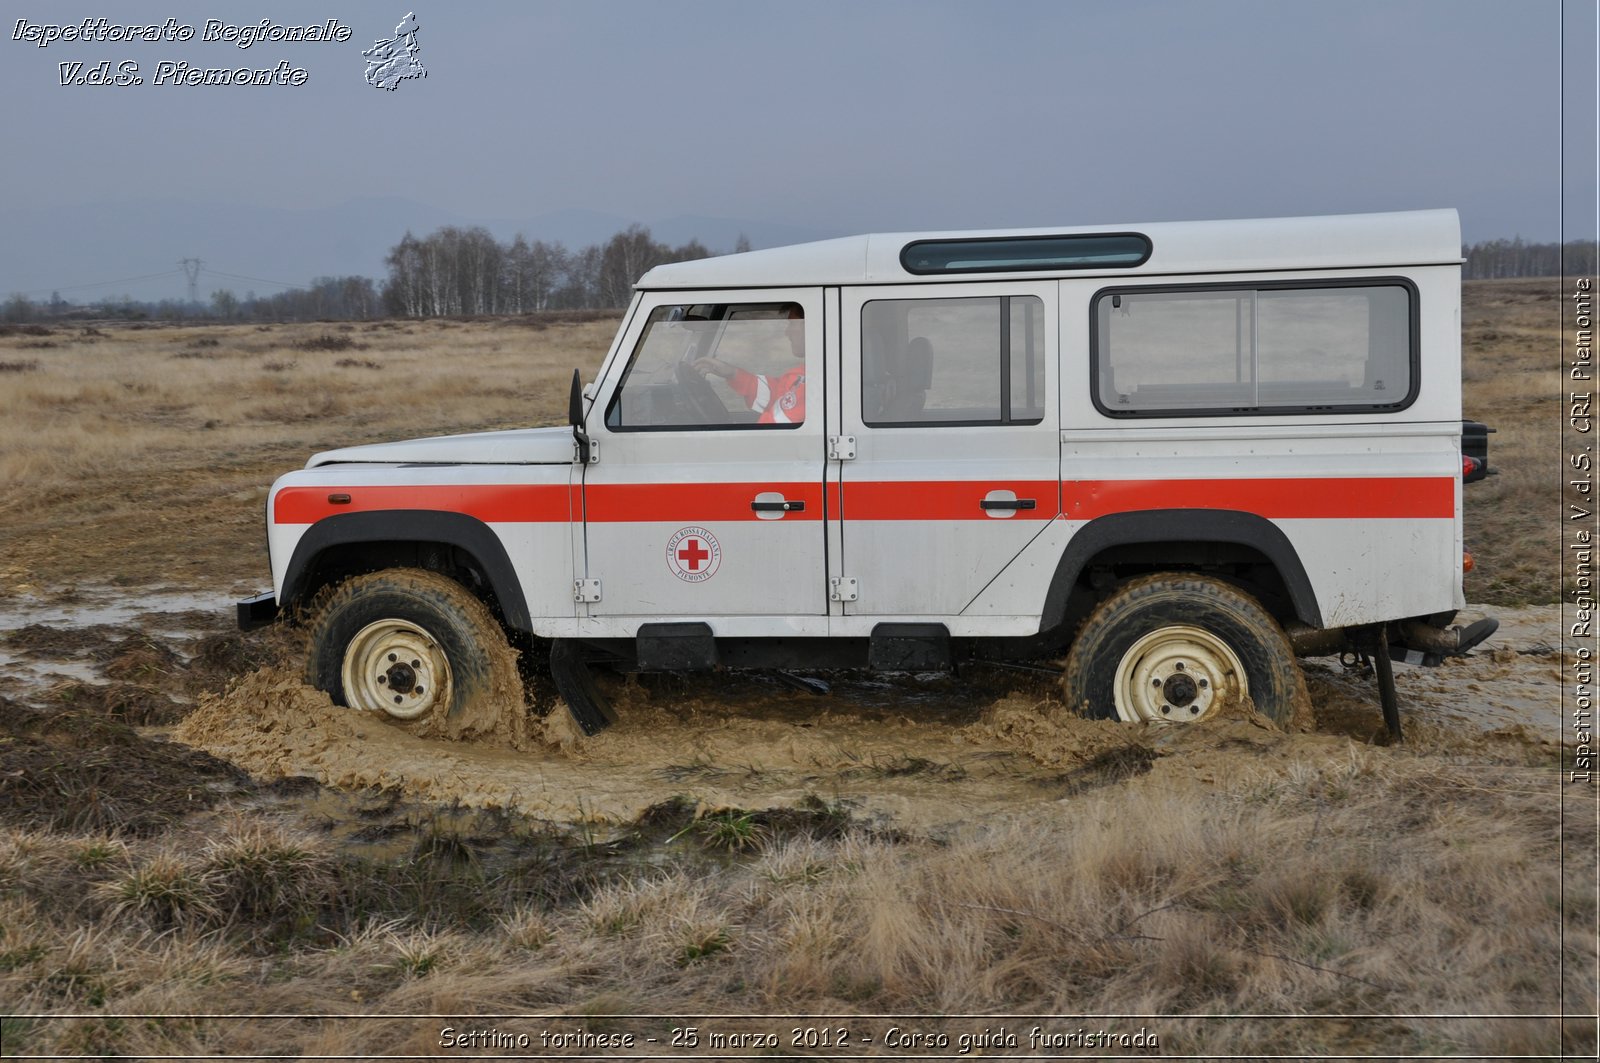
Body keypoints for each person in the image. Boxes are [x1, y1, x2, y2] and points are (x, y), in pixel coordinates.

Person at [694, 305, 805, 424]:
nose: (787, 332)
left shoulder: (809, 381)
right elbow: (778, 396)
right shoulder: (806, 376)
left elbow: (776, 431)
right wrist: (733, 374)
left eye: (792, 324)